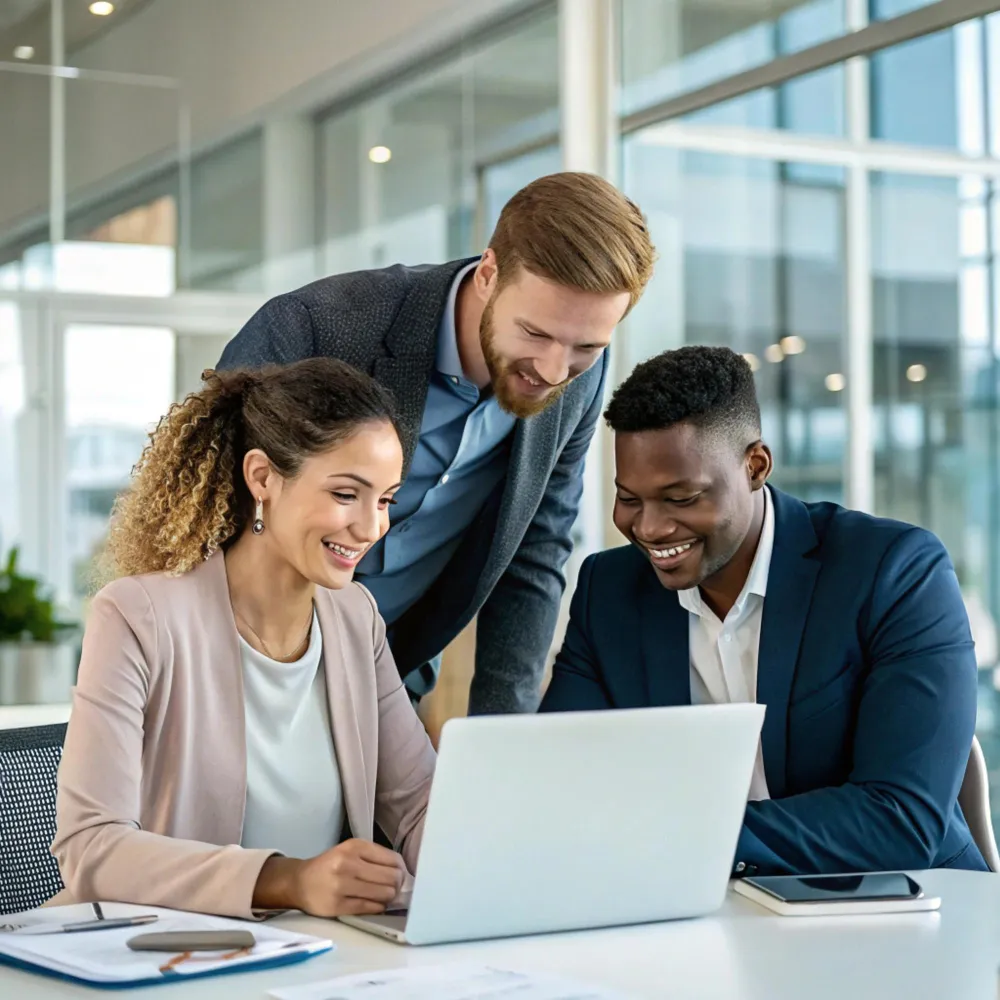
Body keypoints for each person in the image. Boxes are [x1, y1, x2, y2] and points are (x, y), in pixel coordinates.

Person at [217, 172, 656, 714]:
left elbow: (534, 553)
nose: (553, 369)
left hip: (387, 679)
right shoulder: (315, 327)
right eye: (535, 333)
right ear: (489, 273)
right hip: (241, 669)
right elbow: (201, 509)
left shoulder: (581, 379)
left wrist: (500, 738)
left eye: (585, 345)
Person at [541, 345, 988, 875]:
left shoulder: (892, 572)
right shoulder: (609, 591)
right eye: (630, 499)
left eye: (681, 498)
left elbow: (900, 820)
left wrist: (678, 837)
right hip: (700, 915)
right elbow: (562, 784)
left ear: (755, 466)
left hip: (907, 908)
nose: (651, 528)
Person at [53, 358, 437, 919]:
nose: (371, 527)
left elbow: (419, 803)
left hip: (319, 956)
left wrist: (485, 863)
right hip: (166, 953)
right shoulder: (139, 616)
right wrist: (290, 880)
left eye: (385, 500)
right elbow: (91, 848)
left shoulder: (355, 617)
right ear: (262, 478)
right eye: (346, 494)